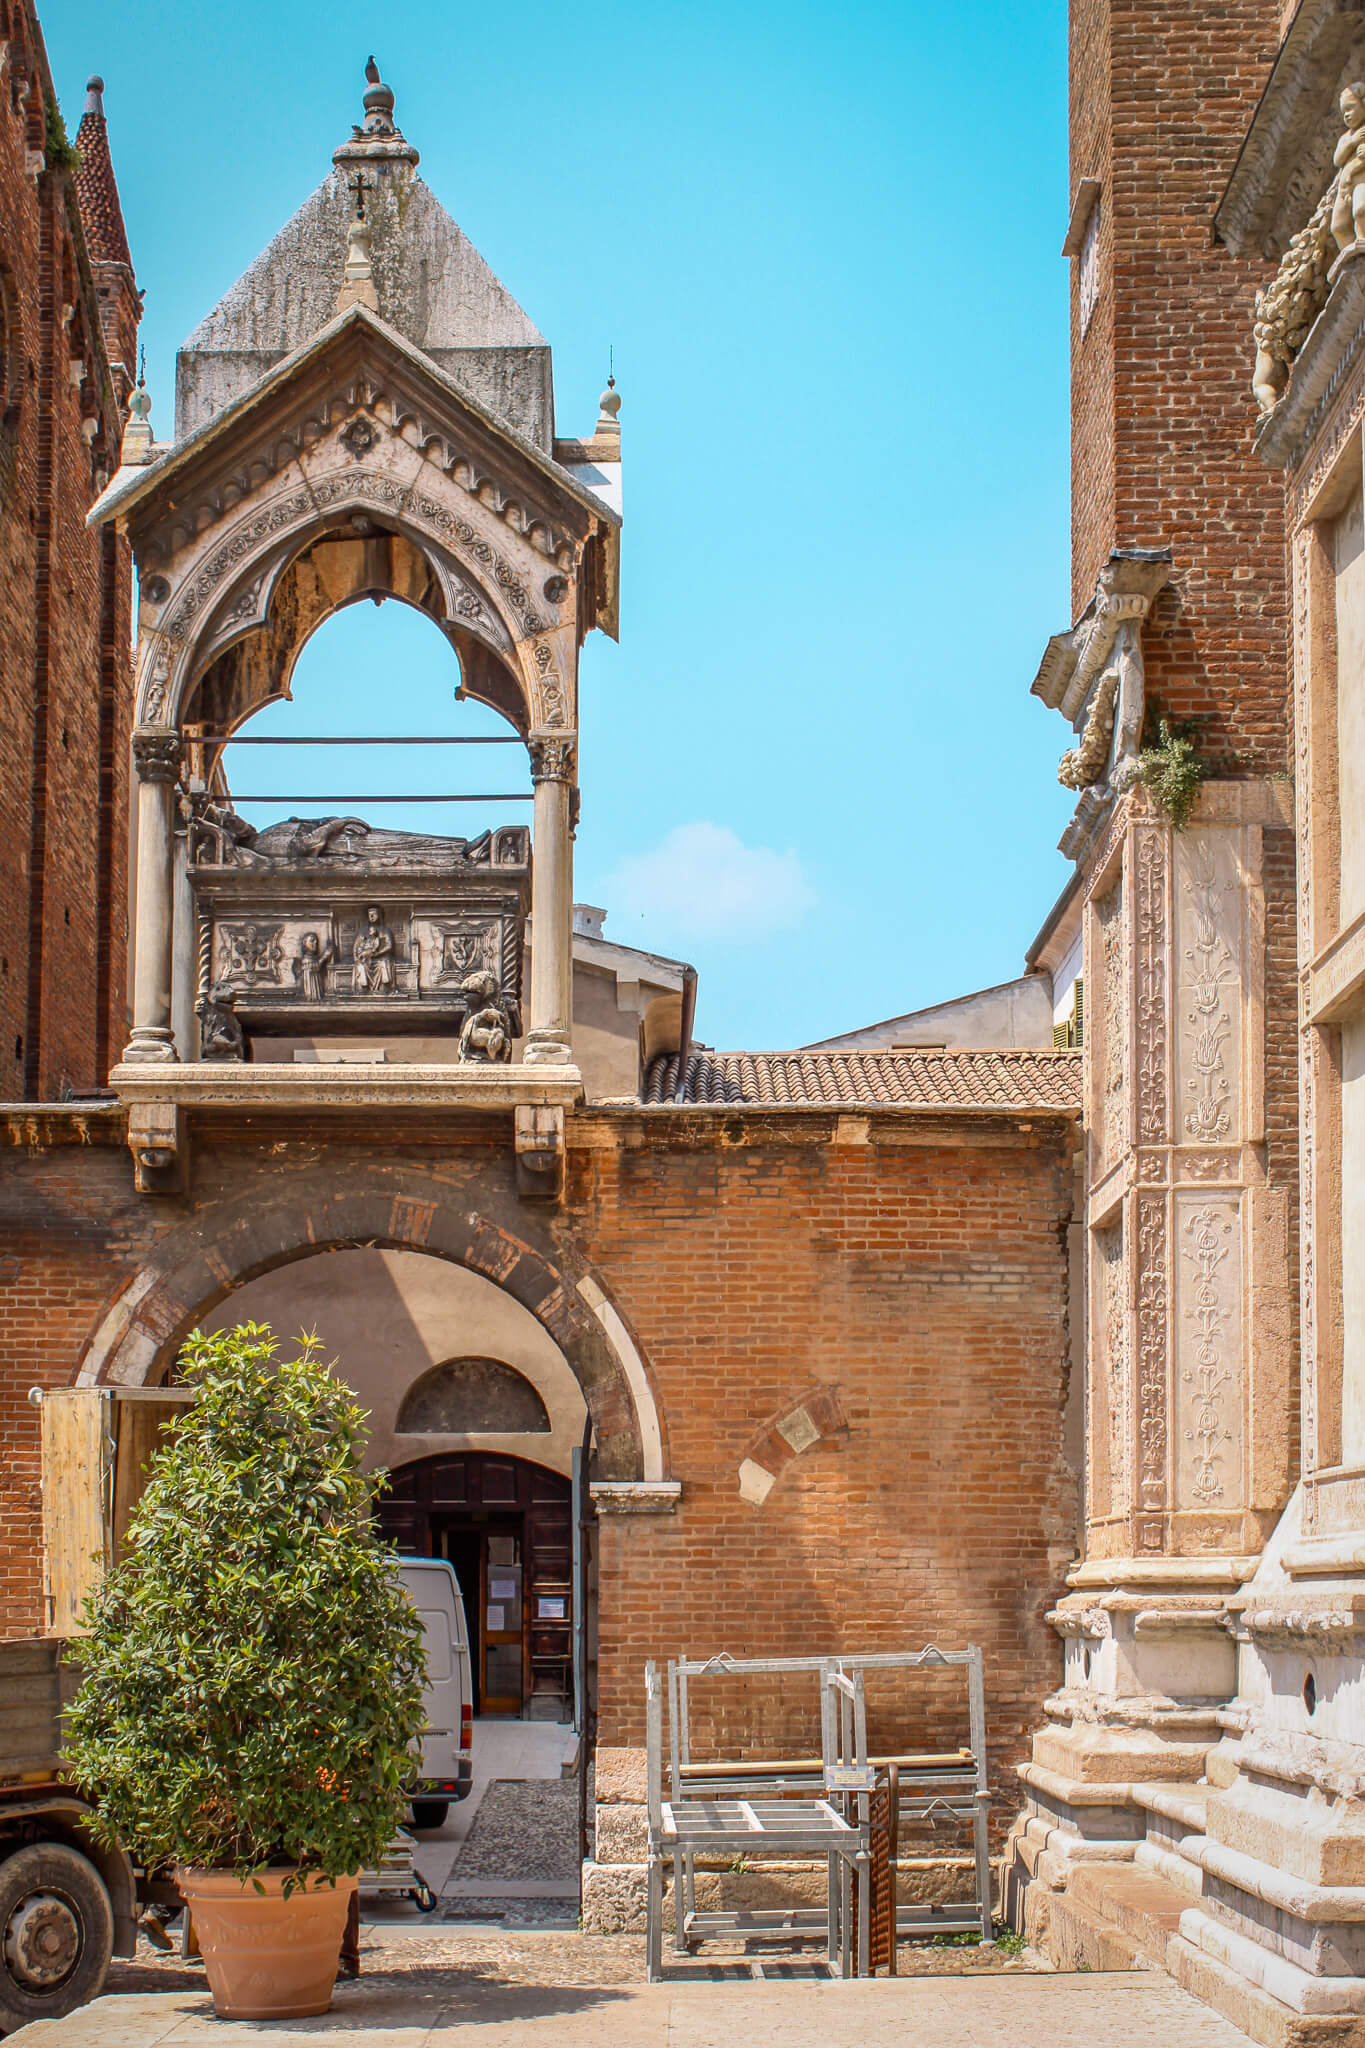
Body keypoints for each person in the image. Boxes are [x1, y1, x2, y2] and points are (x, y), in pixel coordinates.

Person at [352, 906, 395, 994]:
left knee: (383, 964)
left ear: (379, 915)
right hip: (366, 958)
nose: (371, 917)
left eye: (374, 914)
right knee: (361, 966)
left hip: (380, 957)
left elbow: (389, 946)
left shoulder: (385, 931)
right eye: (370, 915)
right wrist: (356, 958)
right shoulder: (363, 931)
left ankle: (386, 987)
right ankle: (364, 987)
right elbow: (356, 946)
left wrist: (377, 954)